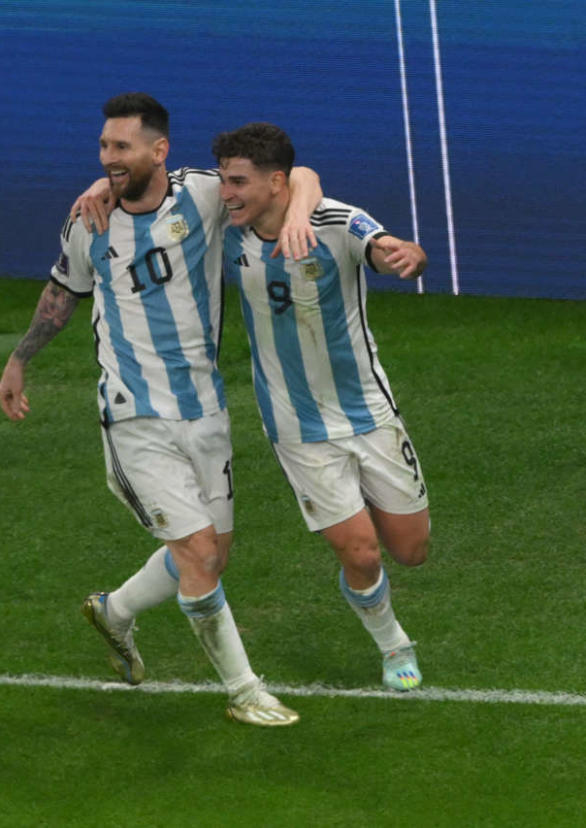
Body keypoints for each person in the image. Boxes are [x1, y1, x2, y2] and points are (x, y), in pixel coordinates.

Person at [0, 93, 322, 726]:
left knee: (209, 555)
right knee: (198, 552)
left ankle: (114, 611)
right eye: (103, 148)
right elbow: (63, 292)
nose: (108, 159)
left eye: (121, 147)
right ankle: (245, 692)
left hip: (204, 409)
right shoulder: (88, 222)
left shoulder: (203, 196)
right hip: (133, 414)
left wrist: (301, 207)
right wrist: (19, 359)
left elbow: (297, 175)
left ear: (159, 150)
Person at [212, 122, 429, 690]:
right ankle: (394, 644)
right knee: (362, 554)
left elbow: (385, 248)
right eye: (223, 180)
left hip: (369, 414)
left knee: (410, 551)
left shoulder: (334, 221)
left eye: (238, 181)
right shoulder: (226, 227)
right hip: (296, 425)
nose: (226, 192)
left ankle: (379, 583)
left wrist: (403, 254)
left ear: (275, 181)